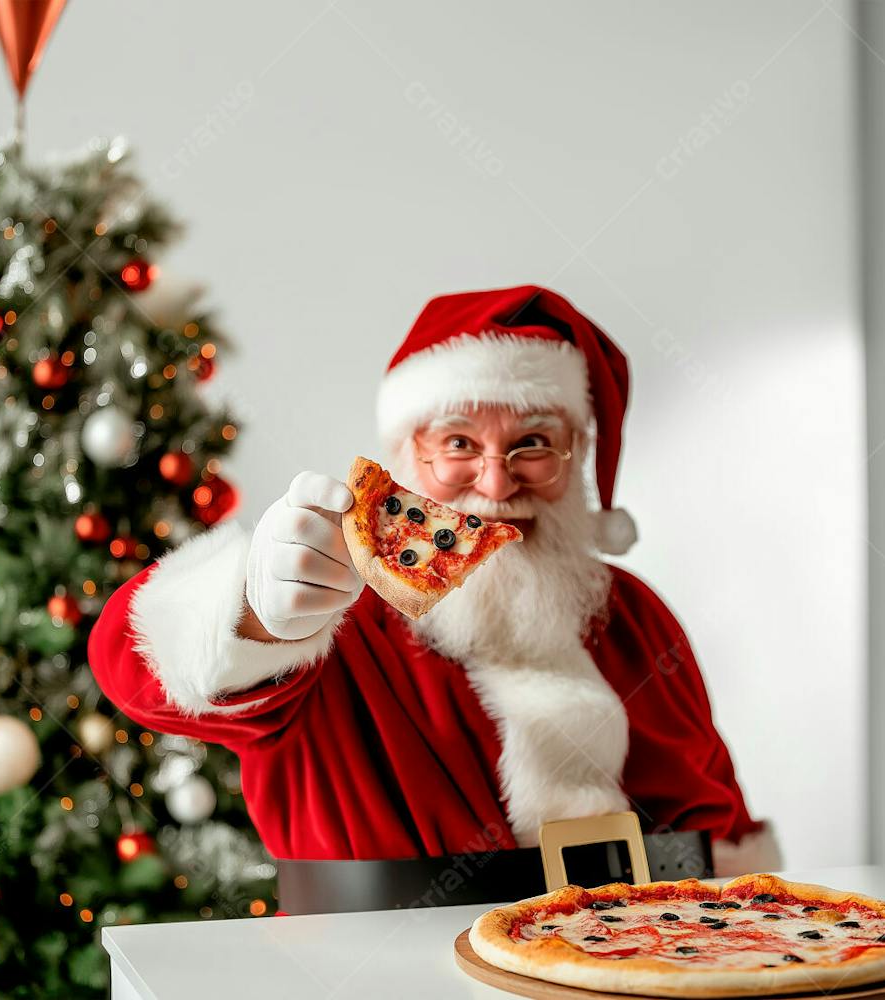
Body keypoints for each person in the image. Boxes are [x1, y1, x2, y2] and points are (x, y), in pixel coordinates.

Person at [88, 285, 779, 911]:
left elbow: (721, 830)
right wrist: (255, 611)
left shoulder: (635, 616)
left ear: (576, 453)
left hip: (645, 967)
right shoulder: (331, 609)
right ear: (409, 458)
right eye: (458, 442)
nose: (498, 483)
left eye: (533, 443)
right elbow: (130, 663)